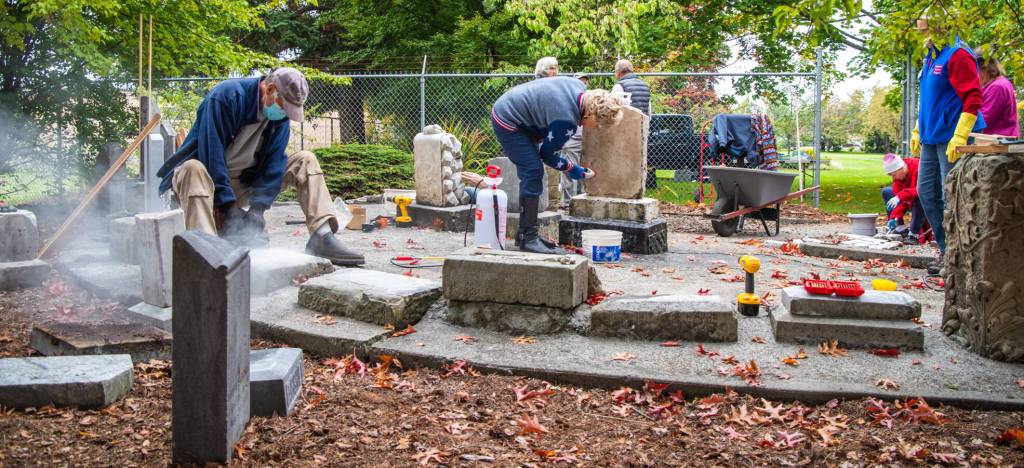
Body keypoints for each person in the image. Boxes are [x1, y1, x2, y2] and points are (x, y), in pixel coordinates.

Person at [156, 68, 365, 266]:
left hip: (244, 183)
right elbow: (212, 154)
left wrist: (257, 212)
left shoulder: (279, 118)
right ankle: (209, 257)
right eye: (284, 106)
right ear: (270, 89)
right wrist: (228, 208)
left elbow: (274, 164)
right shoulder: (226, 97)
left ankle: (322, 237)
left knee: (305, 160)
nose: (285, 114)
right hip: (204, 182)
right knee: (193, 168)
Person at [491, 76, 623, 254]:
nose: (596, 128)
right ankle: (528, 239)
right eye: (598, 124)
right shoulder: (566, 121)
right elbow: (547, 155)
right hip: (508, 120)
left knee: (533, 169)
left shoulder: (579, 87)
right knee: (533, 171)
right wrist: (573, 169)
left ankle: (525, 235)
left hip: (513, 108)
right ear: (590, 114)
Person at [910, 18, 985, 276]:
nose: (924, 36)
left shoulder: (958, 54)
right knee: (926, 193)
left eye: (926, 30)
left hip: (953, 136)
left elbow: (973, 96)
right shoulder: (931, 57)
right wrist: (919, 129)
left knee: (953, 196)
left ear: (941, 27)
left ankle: (958, 257)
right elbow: (927, 98)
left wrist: (962, 134)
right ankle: (946, 248)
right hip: (932, 137)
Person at [881, 153, 926, 244]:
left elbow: (922, 189)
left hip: (924, 199)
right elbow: (900, 201)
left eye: (893, 175)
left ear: (900, 168)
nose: (893, 178)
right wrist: (894, 217)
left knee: (919, 197)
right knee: (887, 191)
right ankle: (900, 229)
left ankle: (914, 234)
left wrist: (900, 196)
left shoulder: (919, 167)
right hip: (909, 199)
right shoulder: (898, 178)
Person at [977, 54, 1020, 137]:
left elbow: (985, 120)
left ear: (985, 68)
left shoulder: (998, 86)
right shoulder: (993, 84)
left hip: (999, 142)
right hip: (993, 140)